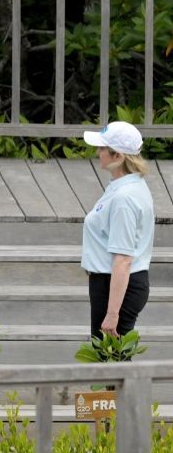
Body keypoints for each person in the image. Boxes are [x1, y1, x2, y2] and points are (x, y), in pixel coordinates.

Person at [81, 121, 154, 340]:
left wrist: (113, 313)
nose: (98, 152)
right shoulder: (126, 186)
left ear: (118, 156)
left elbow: (123, 259)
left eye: (102, 148)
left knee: (109, 361)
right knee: (109, 360)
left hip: (117, 285)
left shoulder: (124, 198)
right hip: (112, 282)